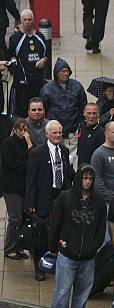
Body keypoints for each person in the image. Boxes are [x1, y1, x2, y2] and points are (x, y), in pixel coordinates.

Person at [47, 163, 107, 308]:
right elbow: (55, 224)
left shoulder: (99, 201)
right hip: (67, 254)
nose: (87, 181)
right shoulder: (65, 197)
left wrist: (95, 246)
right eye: (84, 178)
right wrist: (54, 247)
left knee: (82, 293)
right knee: (62, 291)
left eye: (90, 178)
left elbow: (101, 227)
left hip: (88, 257)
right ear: (78, 178)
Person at [25, 120, 74, 281]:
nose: (58, 135)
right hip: (43, 198)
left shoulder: (65, 151)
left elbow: (68, 175)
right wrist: (30, 203)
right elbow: (31, 180)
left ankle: (54, 264)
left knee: (58, 232)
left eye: (60, 132)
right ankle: (39, 267)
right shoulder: (37, 153)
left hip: (60, 197)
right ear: (47, 134)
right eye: (54, 132)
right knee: (41, 235)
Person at [40, 58, 87, 171]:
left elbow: (82, 106)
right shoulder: (47, 89)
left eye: (67, 71)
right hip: (55, 132)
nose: (66, 74)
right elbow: (43, 110)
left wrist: (80, 125)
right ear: (56, 73)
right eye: (63, 71)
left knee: (73, 159)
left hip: (73, 131)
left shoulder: (77, 86)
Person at [8, 9, 48, 118]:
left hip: (37, 83)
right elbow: (9, 57)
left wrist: (43, 61)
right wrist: (13, 62)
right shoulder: (15, 39)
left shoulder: (40, 37)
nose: (27, 22)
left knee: (38, 113)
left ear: (33, 20)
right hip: (21, 85)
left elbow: (46, 55)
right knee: (20, 115)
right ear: (21, 21)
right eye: (24, 20)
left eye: (29, 19)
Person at [1, 119, 32, 260]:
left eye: (25, 129)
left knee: (23, 218)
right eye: (20, 129)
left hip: (24, 186)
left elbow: (34, 158)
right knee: (15, 218)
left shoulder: (27, 143)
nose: (23, 132)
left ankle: (19, 246)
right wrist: (27, 165)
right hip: (11, 186)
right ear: (15, 129)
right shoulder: (8, 143)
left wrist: (30, 144)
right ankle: (9, 248)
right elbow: (13, 163)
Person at [91, 121, 114, 204]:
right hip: (108, 201)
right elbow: (97, 180)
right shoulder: (98, 154)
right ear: (106, 134)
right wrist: (110, 197)